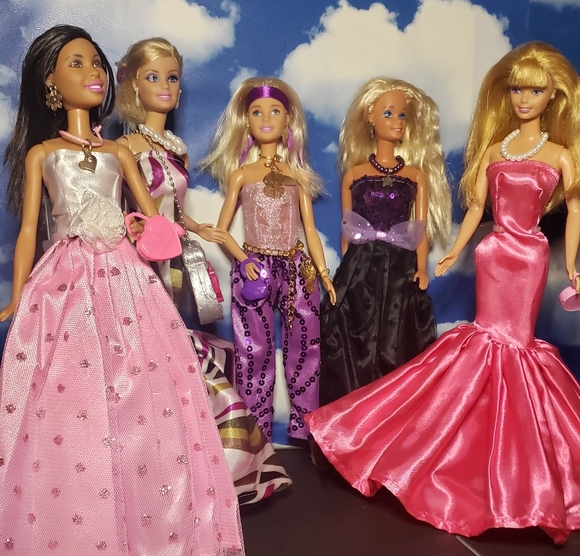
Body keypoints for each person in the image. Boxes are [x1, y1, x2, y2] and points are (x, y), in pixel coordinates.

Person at [306, 41, 580, 544]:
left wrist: (574, 267)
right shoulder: (495, 151)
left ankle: (521, 474)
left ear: (553, 97)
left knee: (516, 347)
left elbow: (575, 211)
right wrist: (454, 250)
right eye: (516, 89)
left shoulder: (562, 155)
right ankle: (457, 456)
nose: (523, 99)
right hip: (493, 252)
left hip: (531, 255)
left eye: (535, 90)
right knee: (483, 343)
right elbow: (477, 209)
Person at [0, 25, 243, 554]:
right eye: (76, 63)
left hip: (126, 278)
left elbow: (155, 221)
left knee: (138, 384)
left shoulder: (118, 151)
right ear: (50, 83)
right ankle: (75, 498)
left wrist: (146, 230)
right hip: (64, 280)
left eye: (96, 62)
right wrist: (17, 297)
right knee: (70, 388)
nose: (93, 72)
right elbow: (28, 233)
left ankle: (148, 498)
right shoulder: (43, 153)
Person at [116, 38, 291, 503]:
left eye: (172, 77)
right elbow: (122, 208)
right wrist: (136, 230)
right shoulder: (125, 146)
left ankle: (188, 454)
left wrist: (198, 229)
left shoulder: (176, 149)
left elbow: (174, 208)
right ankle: (145, 460)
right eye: (153, 77)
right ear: (133, 85)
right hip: (138, 260)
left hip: (174, 257)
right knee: (144, 353)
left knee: (172, 347)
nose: (165, 86)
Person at [203, 77, 336, 442]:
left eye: (274, 111)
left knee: (305, 346)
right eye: (257, 112)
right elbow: (222, 230)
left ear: (287, 120)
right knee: (253, 349)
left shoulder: (297, 176)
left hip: (296, 267)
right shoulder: (242, 175)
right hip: (253, 267)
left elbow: (309, 229)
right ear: (246, 121)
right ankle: (255, 431)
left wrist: (323, 272)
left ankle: (305, 428)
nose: (265, 118)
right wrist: (244, 259)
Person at [318, 78, 451, 406]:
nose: (397, 122)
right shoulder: (354, 174)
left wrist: (421, 268)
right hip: (361, 266)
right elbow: (348, 229)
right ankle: (354, 411)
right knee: (357, 335)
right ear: (370, 118)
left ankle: (392, 412)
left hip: (399, 266)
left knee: (396, 337)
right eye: (389, 113)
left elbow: (419, 229)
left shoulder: (415, 176)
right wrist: (345, 273)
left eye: (402, 115)